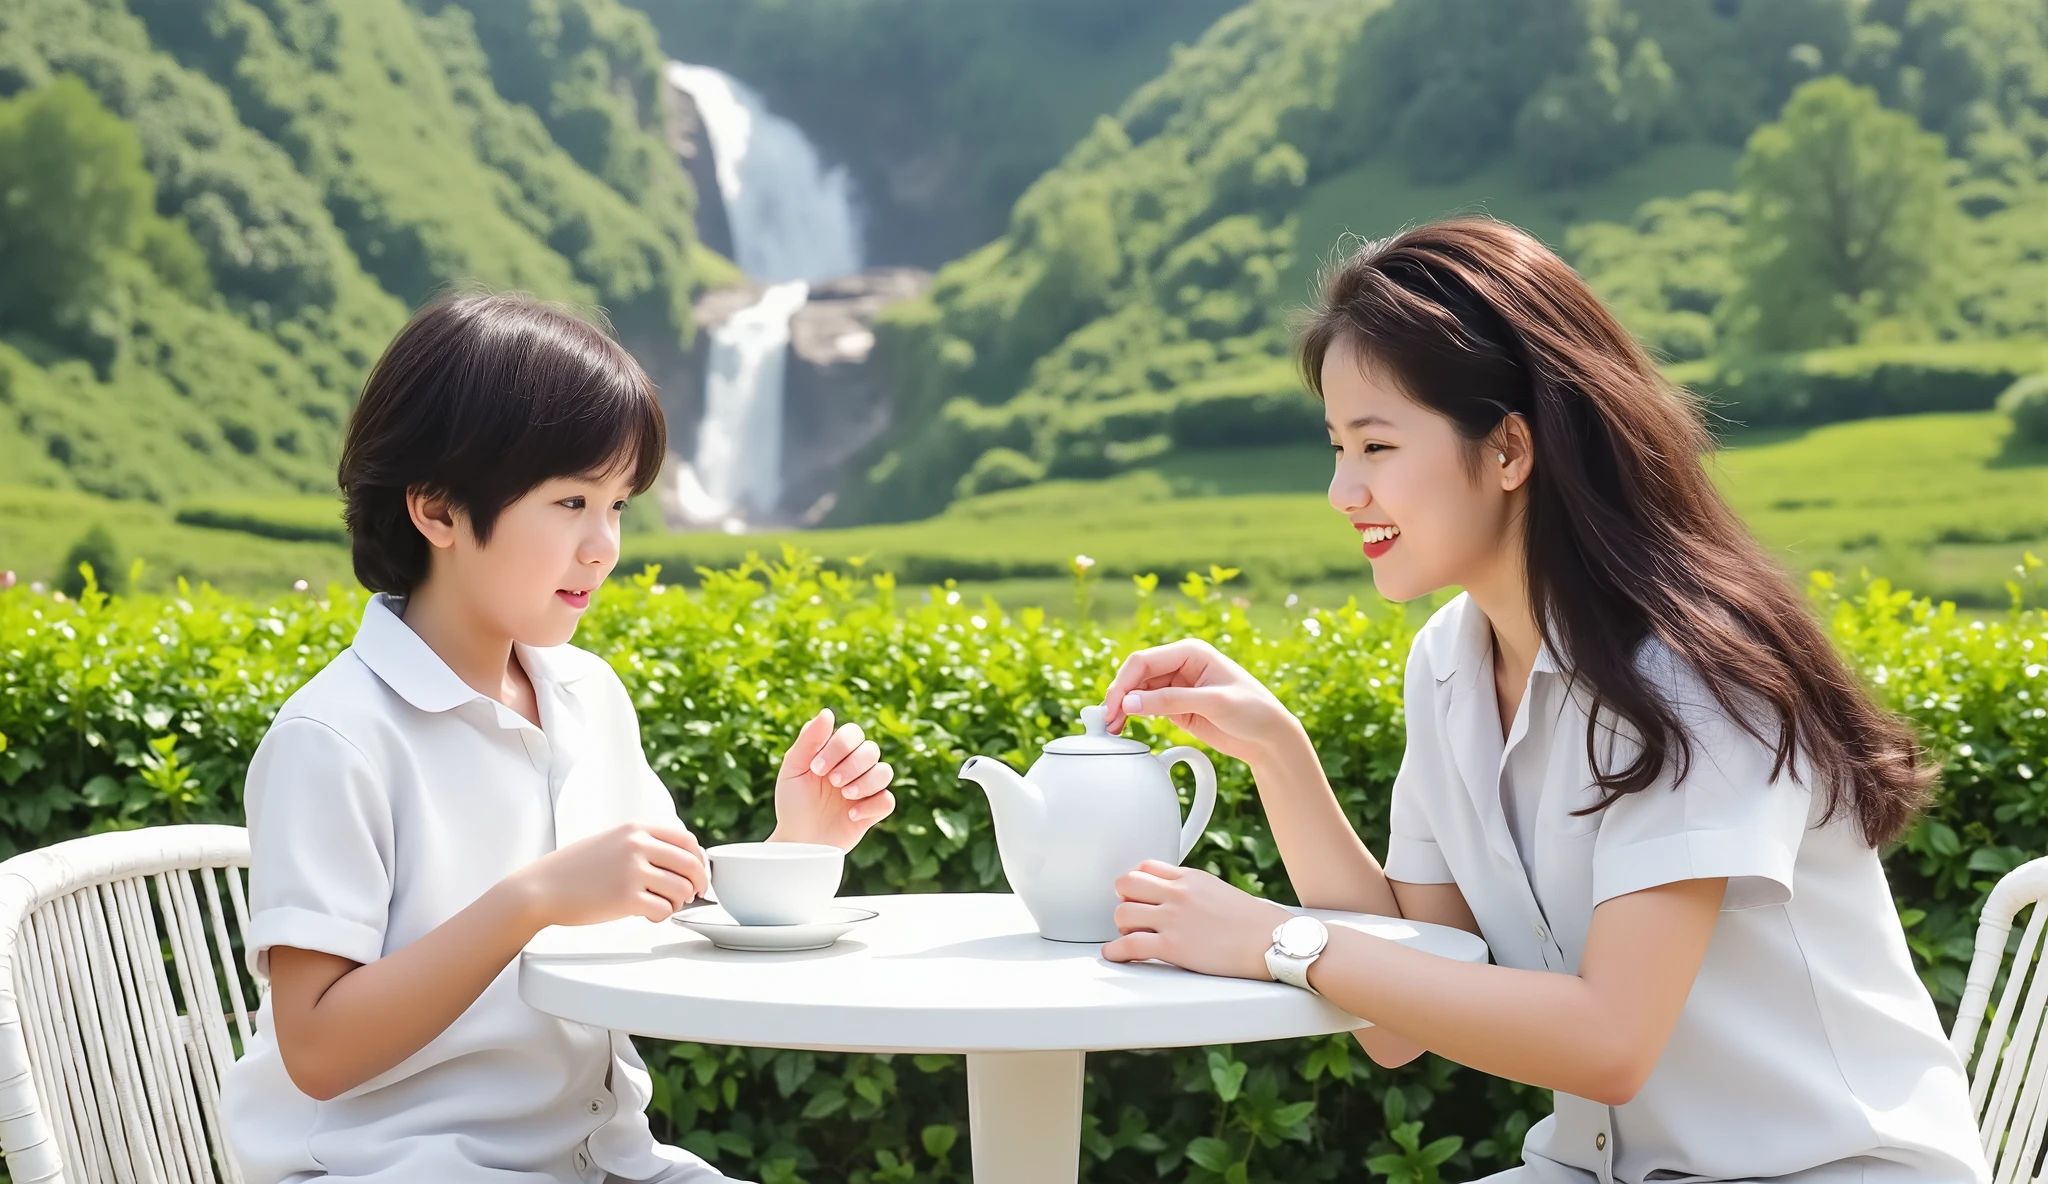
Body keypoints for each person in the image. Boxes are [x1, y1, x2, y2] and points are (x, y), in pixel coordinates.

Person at [1095, 220, 1988, 1183]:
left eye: (1377, 445)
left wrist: (1276, 940)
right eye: (1337, 448)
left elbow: (1610, 1042)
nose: (1341, 490)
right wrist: (1276, 750)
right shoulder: (1449, 663)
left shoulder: (1694, 676)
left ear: (1511, 447)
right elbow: (1395, 1024)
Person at [222, 294, 898, 1183]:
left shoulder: (587, 695)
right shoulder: (336, 736)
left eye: (617, 504)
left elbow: (670, 911)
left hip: (599, 1157)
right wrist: (532, 898)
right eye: (572, 501)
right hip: (397, 1166)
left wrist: (795, 848)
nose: (604, 545)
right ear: (438, 511)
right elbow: (316, 1047)